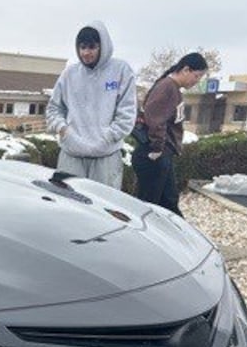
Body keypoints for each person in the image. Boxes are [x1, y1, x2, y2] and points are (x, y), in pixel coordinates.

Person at [46, 21, 137, 189]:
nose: (86, 53)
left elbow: (127, 113)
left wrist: (108, 136)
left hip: (105, 156)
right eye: (82, 47)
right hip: (71, 155)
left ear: (102, 46)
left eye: (92, 47)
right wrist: (64, 130)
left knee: (103, 209)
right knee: (67, 206)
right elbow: (53, 109)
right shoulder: (69, 74)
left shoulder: (121, 71)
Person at [131, 52, 209, 215]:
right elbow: (155, 120)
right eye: (196, 76)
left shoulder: (171, 88)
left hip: (160, 154)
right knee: (147, 208)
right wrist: (157, 148)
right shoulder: (167, 87)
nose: (196, 82)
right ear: (186, 69)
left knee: (168, 203)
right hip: (154, 155)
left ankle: (182, 239)